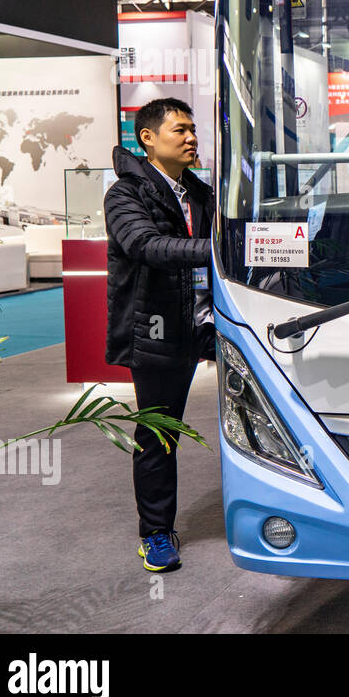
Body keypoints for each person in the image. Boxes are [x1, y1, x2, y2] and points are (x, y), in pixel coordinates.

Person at [104, 97, 214, 572]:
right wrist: (223, 250)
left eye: (193, 129)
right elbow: (144, 245)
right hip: (158, 331)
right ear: (148, 138)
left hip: (212, 325)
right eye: (180, 130)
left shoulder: (203, 193)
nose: (191, 138)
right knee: (159, 434)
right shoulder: (125, 195)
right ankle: (156, 533)